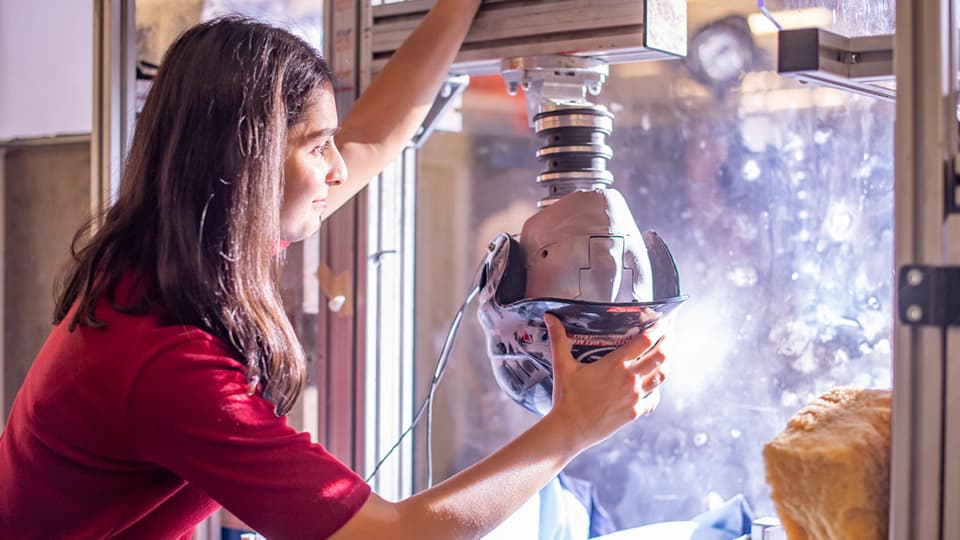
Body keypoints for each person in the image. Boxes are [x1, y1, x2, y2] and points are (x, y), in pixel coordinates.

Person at [0, 2, 670, 538]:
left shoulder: (175, 256)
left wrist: (455, 9)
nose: (338, 169)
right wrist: (571, 428)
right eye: (317, 146)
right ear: (250, 166)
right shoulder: (169, 364)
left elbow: (371, 142)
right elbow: (395, 537)